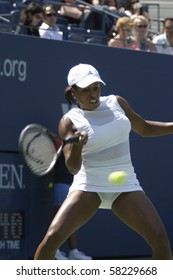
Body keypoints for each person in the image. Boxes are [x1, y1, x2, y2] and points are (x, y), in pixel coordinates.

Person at [34, 63, 172, 260]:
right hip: (89, 186)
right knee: (51, 240)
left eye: (96, 88)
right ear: (74, 92)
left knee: (160, 240)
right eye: (86, 90)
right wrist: (78, 146)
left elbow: (144, 128)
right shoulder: (69, 121)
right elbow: (72, 167)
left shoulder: (117, 103)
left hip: (125, 186)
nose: (93, 95)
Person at [51, 140, 92, 260]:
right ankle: (54, 251)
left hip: (73, 184)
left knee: (71, 219)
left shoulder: (79, 144)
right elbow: (51, 165)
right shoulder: (61, 145)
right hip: (61, 183)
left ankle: (73, 252)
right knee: (59, 220)